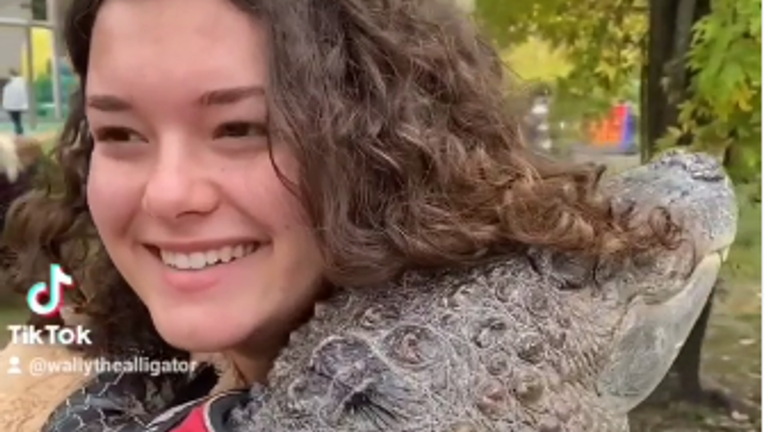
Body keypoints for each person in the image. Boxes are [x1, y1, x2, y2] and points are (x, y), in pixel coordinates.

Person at [0, 0, 674, 430]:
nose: (168, 195)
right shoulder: (58, 377)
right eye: (119, 134)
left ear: (387, 141)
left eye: (241, 128)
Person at [2, 69, 28, 137]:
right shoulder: (22, 81)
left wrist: (5, 104)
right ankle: (19, 130)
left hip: (11, 105)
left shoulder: (9, 83)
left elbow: (6, 95)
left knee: (15, 119)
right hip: (19, 104)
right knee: (17, 118)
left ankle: (18, 130)